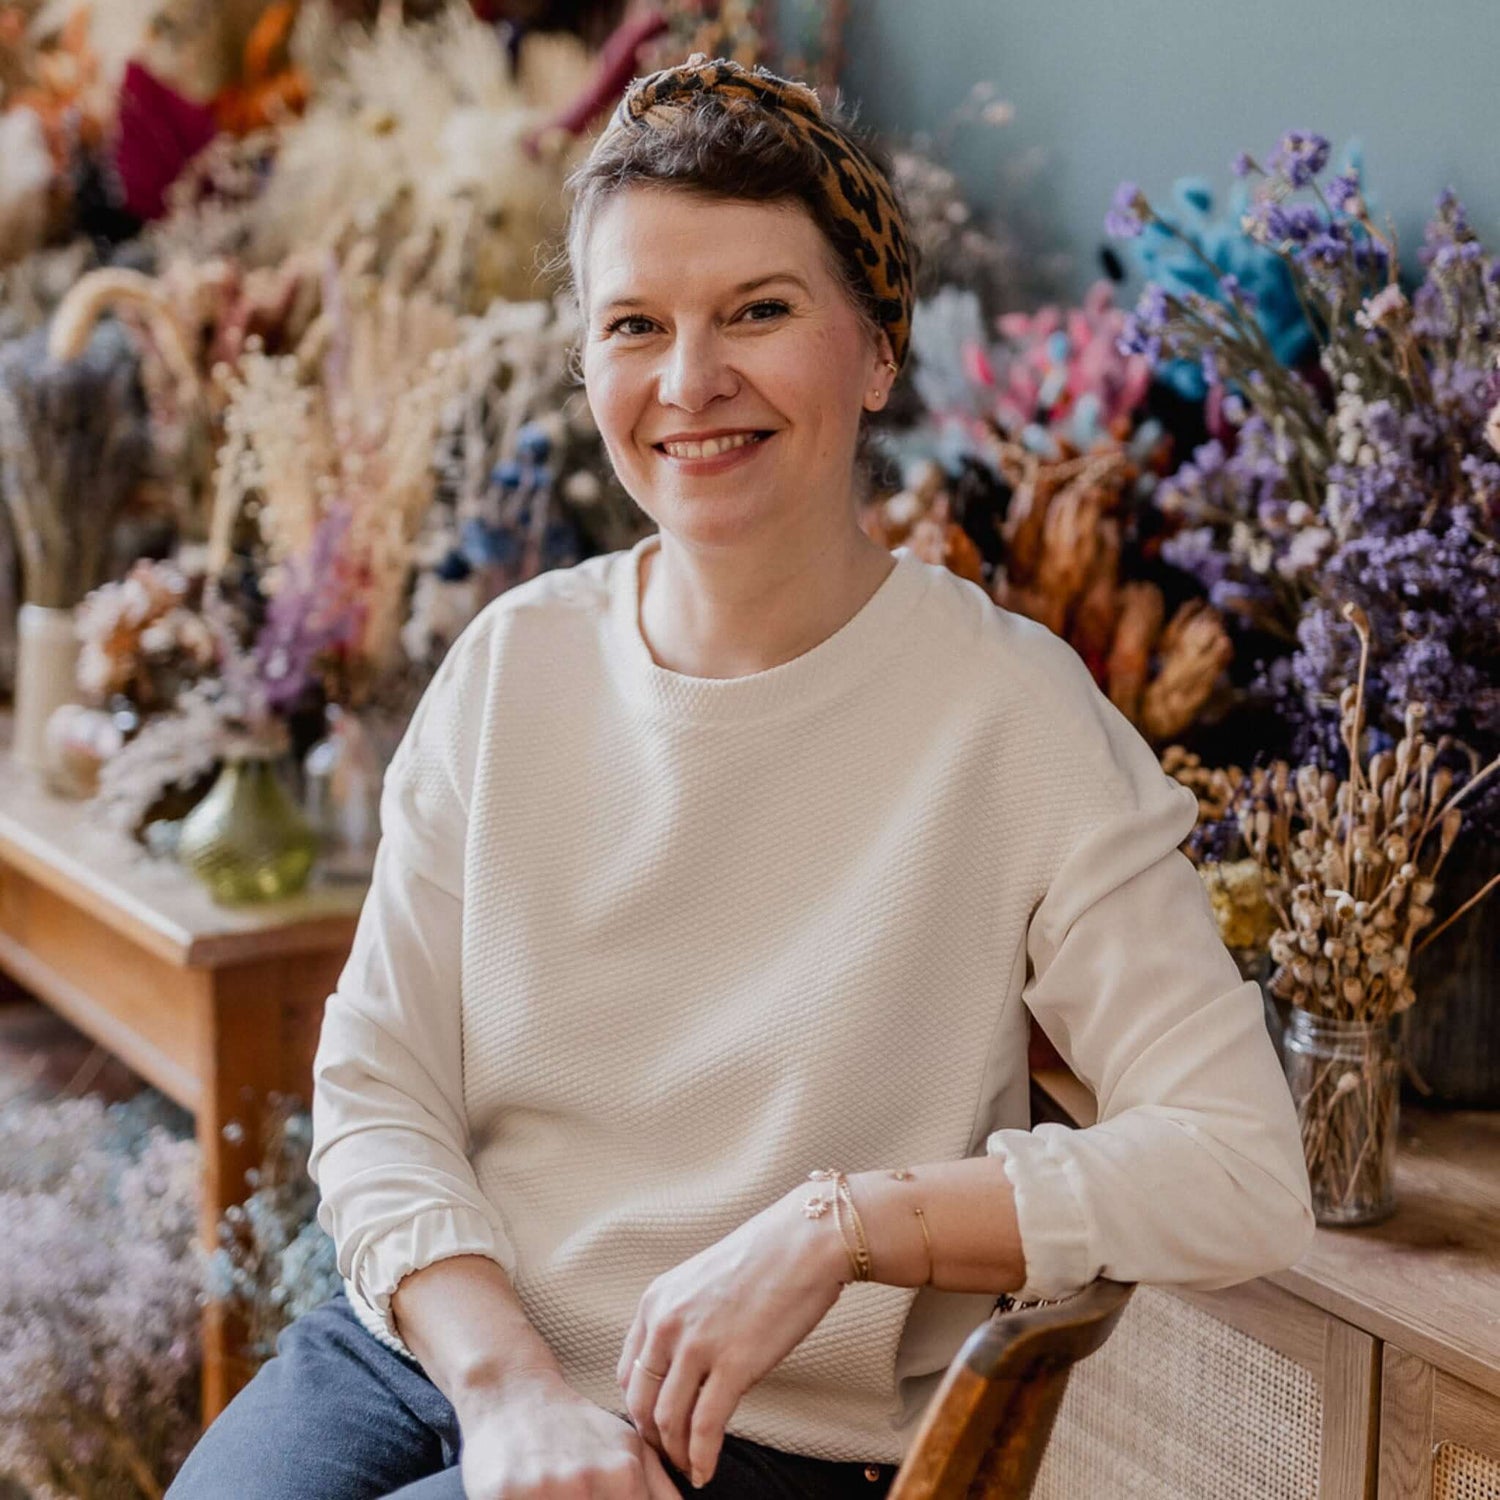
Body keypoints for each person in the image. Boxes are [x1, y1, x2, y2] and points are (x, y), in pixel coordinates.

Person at [166, 54, 1315, 1500]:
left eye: (759, 311)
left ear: (877, 351)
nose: (689, 381)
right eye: (634, 325)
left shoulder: (1013, 718)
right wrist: (510, 1387)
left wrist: (841, 1228)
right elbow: (376, 1088)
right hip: (438, 1349)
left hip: (749, 1431)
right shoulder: (513, 665)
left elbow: (1239, 1167)